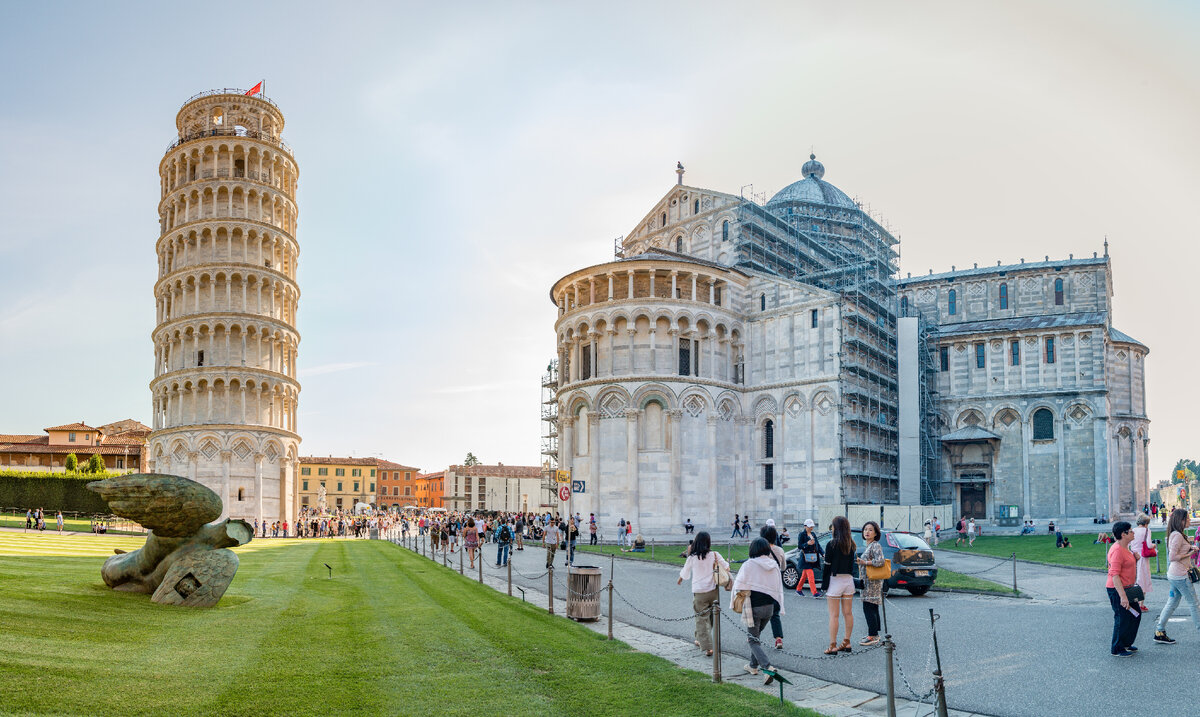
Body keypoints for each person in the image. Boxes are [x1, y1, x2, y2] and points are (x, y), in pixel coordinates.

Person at [730, 537, 784, 684]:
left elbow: (738, 584)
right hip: (770, 608)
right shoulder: (773, 564)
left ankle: (767, 668)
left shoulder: (749, 565)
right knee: (756, 636)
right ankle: (753, 666)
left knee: (753, 641)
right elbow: (778, 587)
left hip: (754, 608)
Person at [677, 531, 728, 657]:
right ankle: (700, 638)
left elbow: (685, 572)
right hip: (713, 591)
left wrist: (679, 579)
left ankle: (708, 647)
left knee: (701, 618)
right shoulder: (715, 554)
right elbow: (726, 567)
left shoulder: (693, 558)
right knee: (710, 616)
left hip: (700, 591)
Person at [1154, 508, 1200, 645]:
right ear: (1180, 520)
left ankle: (1159, 631)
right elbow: (1173, 556)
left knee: (1172, 602)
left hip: (1175, 574)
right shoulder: (1177, 535)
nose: (1189, 521)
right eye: (1187, 519)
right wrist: (1190, 553)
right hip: (1180, 575)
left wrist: (1190, 549)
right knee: (1194, 603)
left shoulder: (1176, 534)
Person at [822, 515, 857, 655]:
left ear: (835, 528)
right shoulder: (851, 544)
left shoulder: (831, 544)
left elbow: (827, 566)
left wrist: (823, 586)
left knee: (834, 615)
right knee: (848, 613)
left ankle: (833, 645)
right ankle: (847, 642)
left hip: (835, 581)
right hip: (848, 580)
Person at [1107, 521, 1142, 657]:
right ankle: (1117, 648)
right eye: (1131, 531)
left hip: (1129, 588)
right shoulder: (1117, 550)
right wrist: (1122, 597)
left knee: (1135, 615)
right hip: (1117, 590)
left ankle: (1126, 643)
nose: (1133, 532)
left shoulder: (1126, 547)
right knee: (1121, 618)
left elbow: (1127, 567)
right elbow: (1114, 575)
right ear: (1124, 534)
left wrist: (1136, 559)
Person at [857, 521, 886, 647]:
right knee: (872, 607)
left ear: (875, 533)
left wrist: (865, 563)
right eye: (865, 529)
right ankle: (874, 633)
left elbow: (881, 561)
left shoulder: (875, 545)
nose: (867, 532)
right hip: (867, 581)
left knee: (869, 607)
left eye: (870, 530)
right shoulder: (869, 545)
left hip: (872, 583)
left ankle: (872, 635)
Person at [760, 525, 787, 650]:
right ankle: (778, 639)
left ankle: (754, 635)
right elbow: (783, 568)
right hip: (775, 585)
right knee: (774, 613)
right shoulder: (779, 550)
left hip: (761, 584)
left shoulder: (758, 550)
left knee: (758, 611)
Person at [1130, 513, 1154, 612]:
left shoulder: (1133, 531)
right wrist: (1154, 546)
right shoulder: (1147, 531)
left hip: (1133, 556)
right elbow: (1148, 545)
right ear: (1146, 523)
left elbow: (1130, 544)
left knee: (1133, 580)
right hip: (1142, 557)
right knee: (1143, 580)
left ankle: (1133, 602)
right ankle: (1141, 604)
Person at [795, 519, 823, 598]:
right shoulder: (802, 534)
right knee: (810, 575)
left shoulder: (813, 534)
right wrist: (807, 543)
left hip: (812, 557)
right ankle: (814, 592)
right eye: (810, 527)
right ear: (805, 526)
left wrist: (823, 553)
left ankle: (798, 589)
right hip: (805, 558)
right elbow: (799, 546)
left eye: (812, 527)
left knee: (804, 576)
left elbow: (818, 544)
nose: (811, 528)